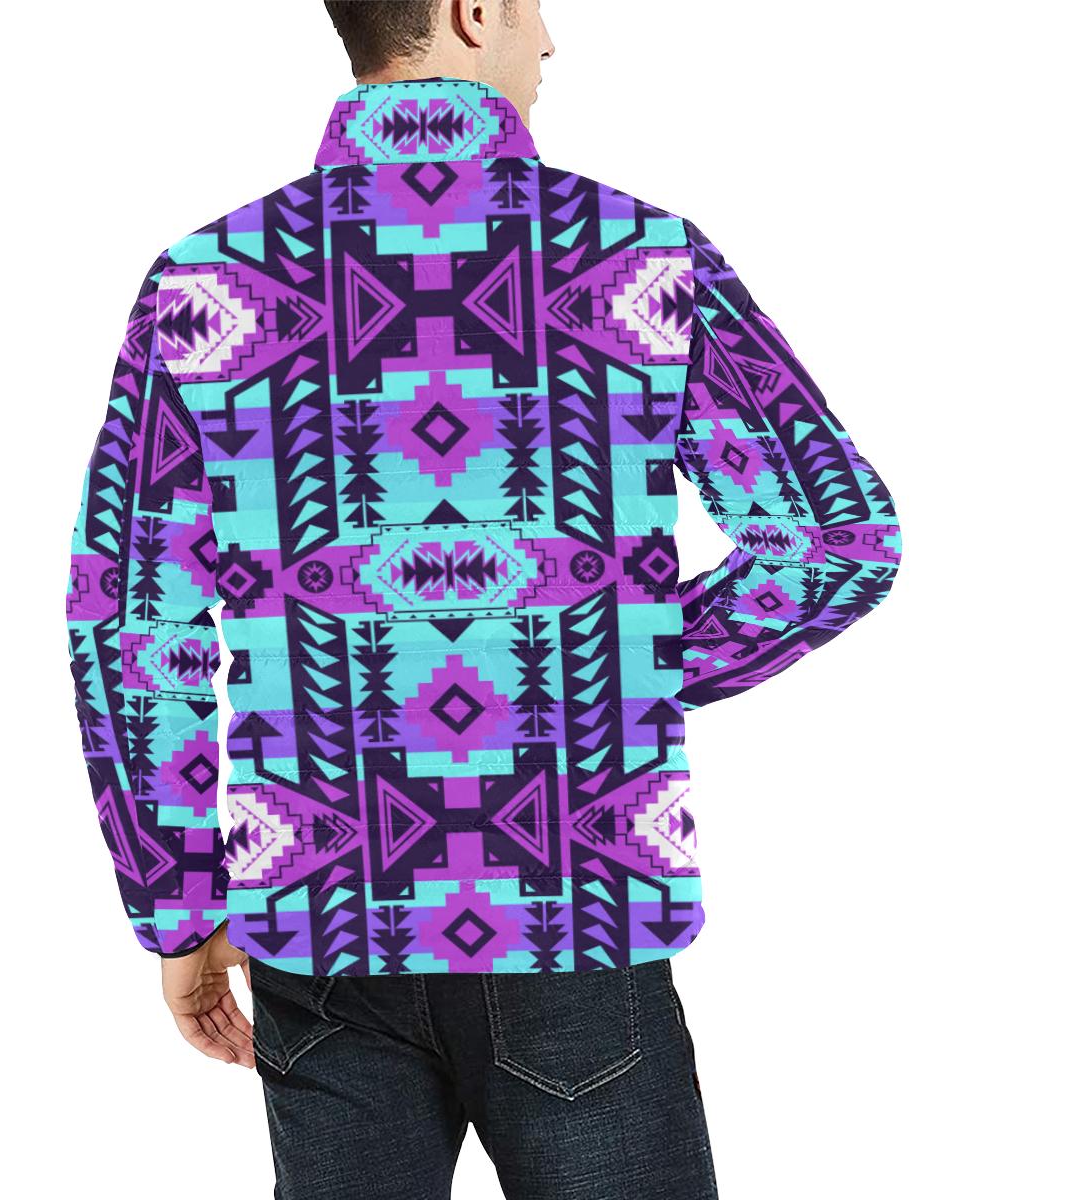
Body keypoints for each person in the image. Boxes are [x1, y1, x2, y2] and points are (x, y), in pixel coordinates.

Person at [63, 2, 902, 1196]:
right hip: (577, 905)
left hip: (318, 917)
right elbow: (836, 538)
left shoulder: (208, 285)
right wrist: (604, 670)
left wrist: (181, 904)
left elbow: (127, 620)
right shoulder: (640, 259)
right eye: (534, 4)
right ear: (469, 10)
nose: (550, 42)